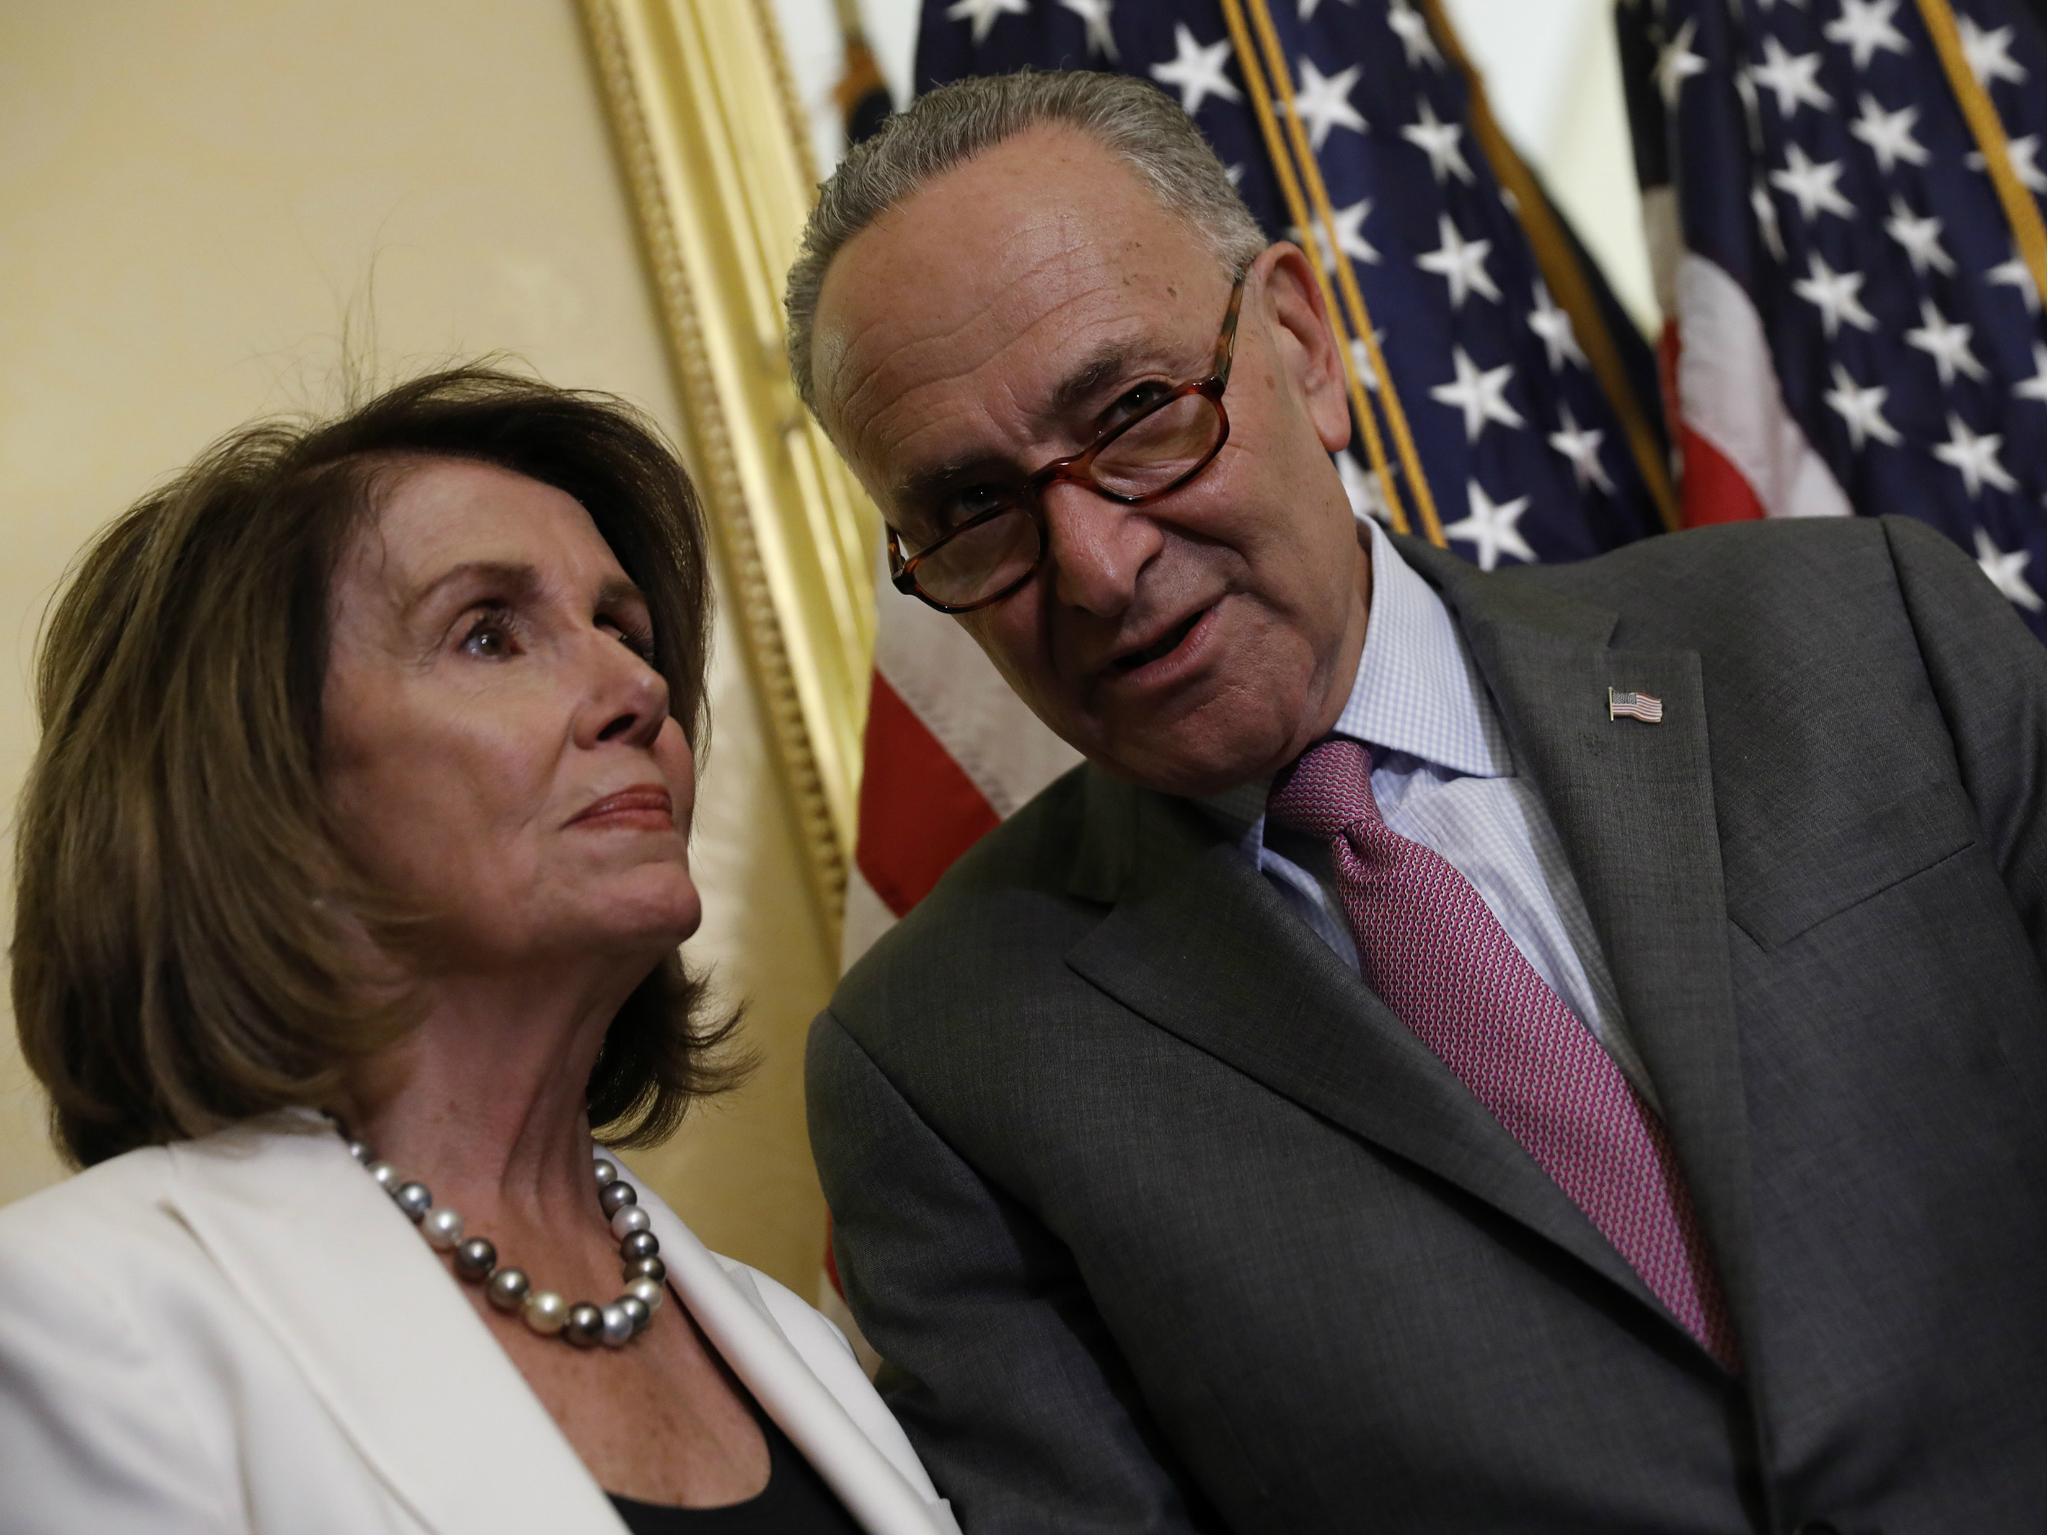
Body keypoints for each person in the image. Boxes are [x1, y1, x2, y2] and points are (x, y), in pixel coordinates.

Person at [784, 69, 2046, 1532]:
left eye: (1135, 411)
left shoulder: (1857, 633)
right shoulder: (939, 1069)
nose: (1098, 567)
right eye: (974, 511)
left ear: (1305, 346)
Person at [0, 367, 955, 1534]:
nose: (638, 688)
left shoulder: (799, 1351)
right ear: (259, 789)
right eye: (488, 634)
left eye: (621, 627)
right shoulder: (83, 1318)